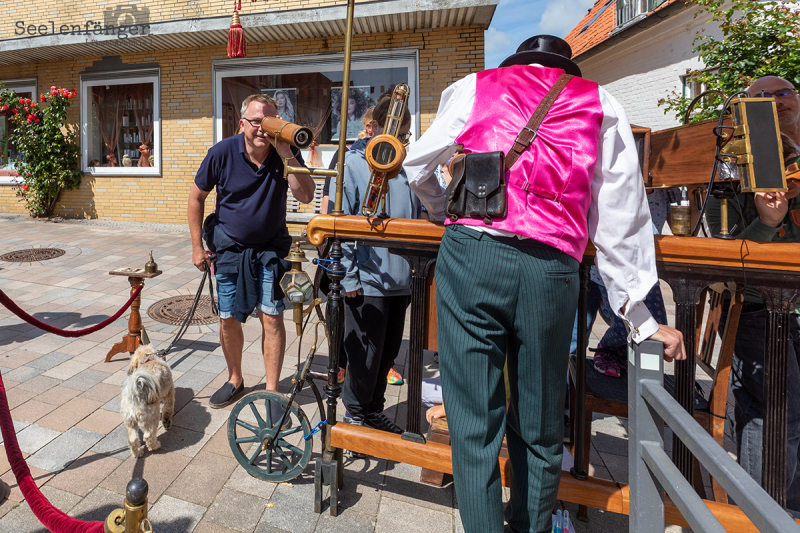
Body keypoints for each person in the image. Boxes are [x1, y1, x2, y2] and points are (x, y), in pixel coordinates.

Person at [404, 35, 686, 533]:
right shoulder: (600, 102)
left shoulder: (476, 86)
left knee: (473, 426)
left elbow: (416, 165)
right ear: (567, 67)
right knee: (538, 424)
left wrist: (439, 211)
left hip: (471, 256)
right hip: (551, 268)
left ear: (518, 62)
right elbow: (621, 217)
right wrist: (638, 316)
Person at [706, 75, 800, 511]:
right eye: (762, 98)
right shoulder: (729, 166)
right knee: (777, 412)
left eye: (783, 93)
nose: (776, 102)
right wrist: (766, 219)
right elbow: (720, 259)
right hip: (760, 308)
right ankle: (763, 511)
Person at [187, 94, 315, 410]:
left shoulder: (285, 151)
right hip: (230, 248)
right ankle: (235, 379)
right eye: (257, 121)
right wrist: (195, 247)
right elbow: (195, 198)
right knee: (229, 318)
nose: (263, 128)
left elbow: (308, 194)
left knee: (271, 318)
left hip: (272, 248)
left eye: (270, 121)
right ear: (242, 123)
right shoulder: (222, 153)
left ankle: (271, 391)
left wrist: (286, 152)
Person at [338, 95, 420, 435]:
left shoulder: (410, 166)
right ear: (384, 128)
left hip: (402, 278)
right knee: (364, 357)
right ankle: (354, 414)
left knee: (387, 354)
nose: (406, 138)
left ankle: (373, 409)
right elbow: (340, 224)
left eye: (408, 133)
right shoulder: (354, 163)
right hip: (367, 279)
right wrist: (348, 277)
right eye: (402, 131)